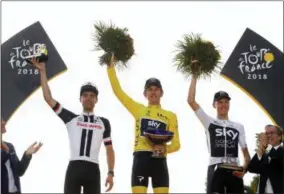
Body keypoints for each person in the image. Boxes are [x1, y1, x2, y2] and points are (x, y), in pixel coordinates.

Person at [29, 58, 115, 194]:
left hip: (93, 169)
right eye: (85, 95)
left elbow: (109, 149)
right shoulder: (71, 118)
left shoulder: (103, 122)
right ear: (80, 99)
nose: (88, 98)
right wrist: (43, 72)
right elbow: (48, 98)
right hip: (74, 168)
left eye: (92, 96)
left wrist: (110, 172)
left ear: (96, 100)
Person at [106, 55, 180, 194]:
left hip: (159, 159)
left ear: (161, 92)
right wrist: (110, 69)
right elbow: (118, 92)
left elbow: (176, 144)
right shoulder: (139, 109)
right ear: (145, 93)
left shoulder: (170, 115)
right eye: (150, 89)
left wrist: (165, 149)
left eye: (156, 89)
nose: (153, 91)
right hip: (141, 158)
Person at [187, 73, 251, 194]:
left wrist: (244, 169)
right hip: (216, 167)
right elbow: (191, 101)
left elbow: (246, 154)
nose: (223, 105)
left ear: (229, 104)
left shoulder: (239, 126)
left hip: (234, 168)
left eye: (226, 102)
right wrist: (195, 75)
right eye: (220, 102)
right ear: (214, 104)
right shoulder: (209, 121)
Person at [1, 118, 42, 194]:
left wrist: (27, 155)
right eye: (0, 120)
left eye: (3, 119)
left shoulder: (9, 146)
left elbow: (19, 171)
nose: (4, 122)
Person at [248, 124, 283, 194]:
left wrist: (266, 146)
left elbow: (279, 160)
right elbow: (252, 168)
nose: (269, 135)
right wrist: (261, 148)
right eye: (266, 134)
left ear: (279, 137)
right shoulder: (265, 153)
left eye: (272, 133)